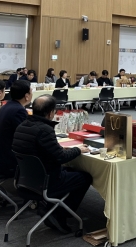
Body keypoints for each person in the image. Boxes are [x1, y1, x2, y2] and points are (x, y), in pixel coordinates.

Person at [12, 95, 92, 233]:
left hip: (25, 179)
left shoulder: (22, 125)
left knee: (70, 171)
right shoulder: (45, 129)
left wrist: (60, 149)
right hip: (46, 182)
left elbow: (40, 149)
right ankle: (60, 213)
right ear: (51, 113)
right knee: (85, 177)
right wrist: (78, 150)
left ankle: (49, 206)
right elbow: (61, 158)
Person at [0, 80, 32, 177]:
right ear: (26, 96)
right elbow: (25, 136)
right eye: (31, 92)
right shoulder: (19, 111)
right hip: (8, 162)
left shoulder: (6, 106)